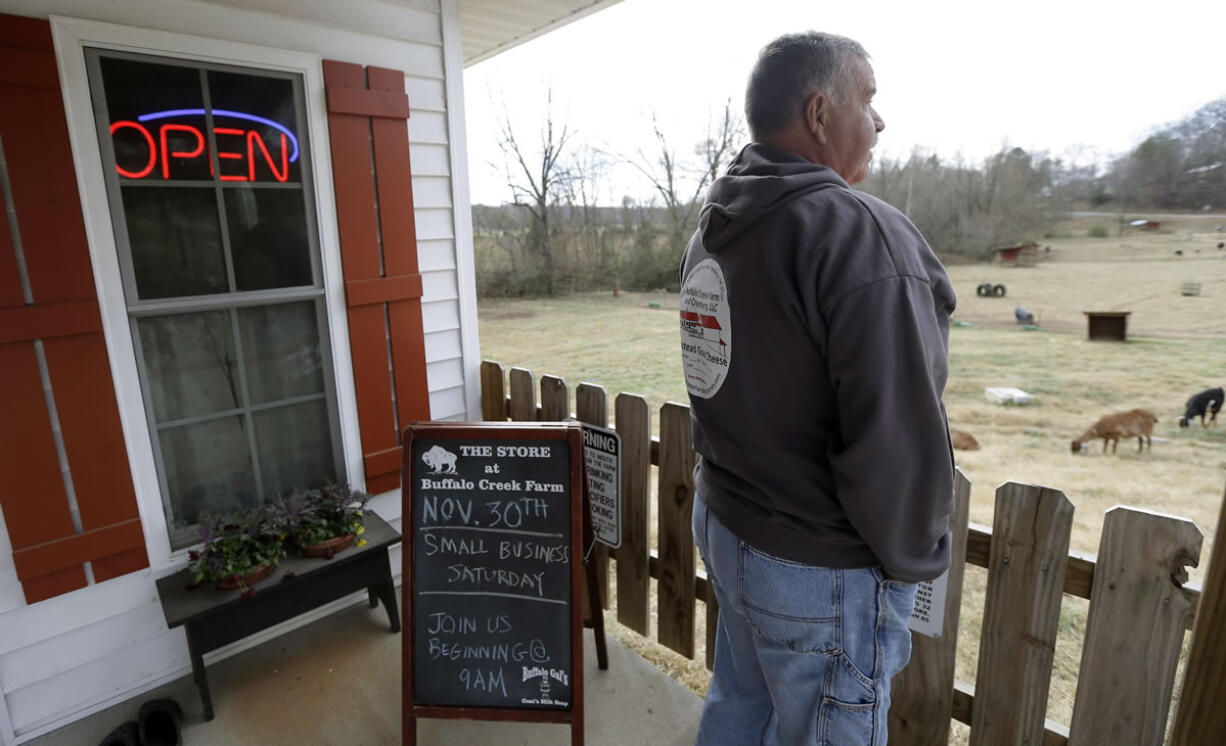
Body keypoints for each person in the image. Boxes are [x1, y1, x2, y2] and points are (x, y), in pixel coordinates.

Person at [678, 31, 956, 745]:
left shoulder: (716, 224)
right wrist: (906, 567)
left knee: (740, 704)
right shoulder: (858, 235)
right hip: (814, 569)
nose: (880, 120)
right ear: (820, 112)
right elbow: (896, 436)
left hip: (730, 525)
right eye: (868, 99)